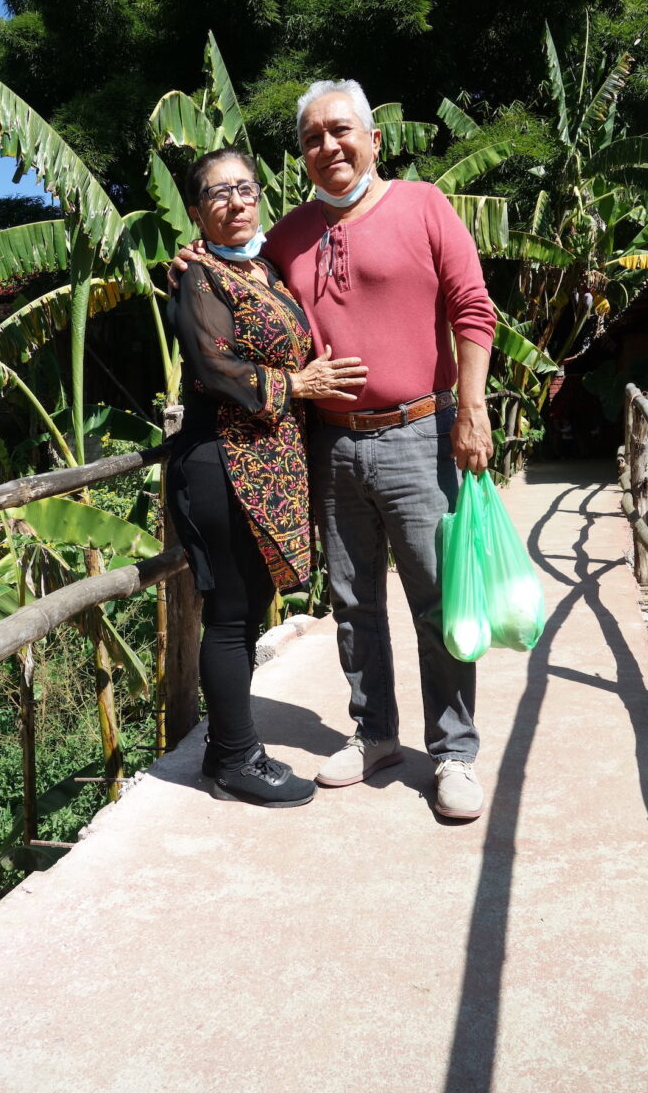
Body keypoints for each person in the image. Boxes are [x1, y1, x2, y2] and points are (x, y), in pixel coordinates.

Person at [172, 81, 496, 820]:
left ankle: (453, 754)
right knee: (353, 603)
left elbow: (473, 307)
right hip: (332, 442)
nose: (329, 146)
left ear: (374, 138)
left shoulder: (424, 205)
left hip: (420, 431)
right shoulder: (286, 236)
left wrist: (471, 409)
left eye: (342, 131)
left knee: (438, 601)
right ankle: (375, 732)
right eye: (313, 138)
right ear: (303, 154)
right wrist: (186, 263)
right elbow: (228, 284)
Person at [166, 146, 368, 807]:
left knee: (249, 608)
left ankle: (229, 752)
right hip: (221, 462)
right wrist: (300, 383)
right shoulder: (200, 279)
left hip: (270, 462)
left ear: (259, 195)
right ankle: (234, 761)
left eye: (244, 187)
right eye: (216, 193)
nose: (234, 200)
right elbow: (213, 368)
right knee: (228, 615)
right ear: (197, 211)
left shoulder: (266, 267)